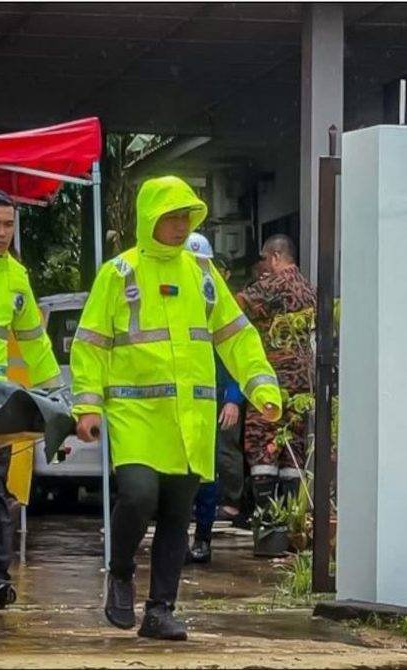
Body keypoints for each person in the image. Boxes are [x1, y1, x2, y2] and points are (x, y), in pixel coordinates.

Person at [71, 176, 281, 640]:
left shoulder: (203, 276)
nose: (182, 223)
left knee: (175, 515)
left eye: (187, 215)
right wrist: (87, 404)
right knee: (140, 495)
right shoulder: (119, 274)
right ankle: (120, 571)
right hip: (136, 417)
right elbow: (90, 345)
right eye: (173, 215)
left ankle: (160, 609)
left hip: (190, 418)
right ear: (150, 219)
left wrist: (261, 386)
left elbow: (237, 336)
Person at [0, 189, 61, 609]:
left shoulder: (17, 275)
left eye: (8, 224)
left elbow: (35, 342)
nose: (3, 232)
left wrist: (58, 397)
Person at [236, 234, 316, 509]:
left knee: (261, 444)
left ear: (276, 257)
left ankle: (266, 518)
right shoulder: (309, 289)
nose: (262, 266)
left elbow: (234, 309)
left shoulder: (273, 285)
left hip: (273, 380)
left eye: (264, 259)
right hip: (303, 383)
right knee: (292, 449)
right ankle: (289, 519)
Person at [182, 233, 243, 564]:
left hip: (211, 403)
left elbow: (235, 354)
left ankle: (202, 538)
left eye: (201, 264)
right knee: (177, 477)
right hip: (173, 405)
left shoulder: (219, 303)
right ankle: (177, 539)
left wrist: (233, 398)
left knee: (207, 477)